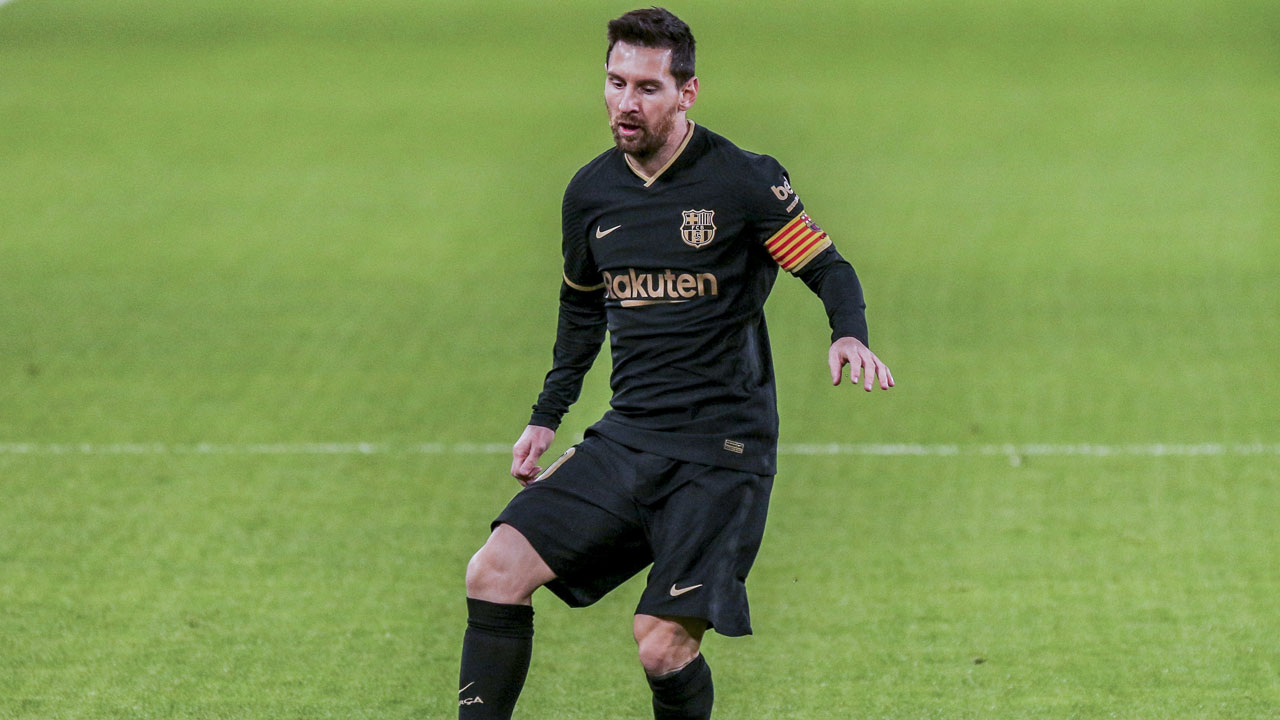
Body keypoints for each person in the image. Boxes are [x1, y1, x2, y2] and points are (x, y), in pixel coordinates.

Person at [457, 8, 893, 719]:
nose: (626, 103)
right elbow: (581, 313)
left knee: (661, 644)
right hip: (629, 437)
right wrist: (545, 417)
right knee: (493, 570)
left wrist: (849, 333)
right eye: (615, 82)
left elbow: (827, 266)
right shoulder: (591, 195)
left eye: (647, 87)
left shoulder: (743, 181)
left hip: (720, 455)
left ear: (687, 93)